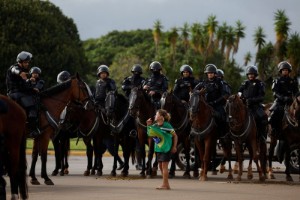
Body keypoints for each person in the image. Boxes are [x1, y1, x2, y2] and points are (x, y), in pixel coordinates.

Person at [6, 51, 40, 137]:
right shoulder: (15, 68)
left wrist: (30, 83)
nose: (27, 64)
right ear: (20, 62)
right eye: (25, 62)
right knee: (33, 105)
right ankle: (32, 130)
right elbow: (14, 70)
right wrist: (20, 73)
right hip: (15, 94)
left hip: (18, 93)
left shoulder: (24, 71)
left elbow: (23, 85)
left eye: (28, 62)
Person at [121, 64, 145, 169]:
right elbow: (123, 87)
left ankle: (139, 163)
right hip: (128, 103)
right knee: (125, 116)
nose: (136, 74)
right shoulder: (128, 79)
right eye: (135, 72)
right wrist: (132, 87)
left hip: (138, 104)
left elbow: (145, 88)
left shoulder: (143, 80)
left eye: (138, 73)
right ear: (132, 72)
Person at [146, 109, 178, 190]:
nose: (155, 116)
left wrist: (174, 146)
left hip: (166, 148)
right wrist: (148, 125)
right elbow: (150, 134)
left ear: (161, 117)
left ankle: (165, 184)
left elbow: (175, 136)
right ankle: (166, 184)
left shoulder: (167, 125)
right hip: (158, 149)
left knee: (164, 166)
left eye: (156, 114)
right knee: (160, 166)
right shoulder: (155, 126)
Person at [193, 64, 227, 137]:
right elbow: (194, 90)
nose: (210, 74)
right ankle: (193, 135)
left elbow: (223, 95)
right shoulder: (203, 82)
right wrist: (199, 92)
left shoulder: (219, 82)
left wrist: (215, 102)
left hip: (217, 105)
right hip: (205, 105)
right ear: (206, 74)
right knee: (193, 116)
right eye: (208, 73)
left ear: (215, 74)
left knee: (222, 118)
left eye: (211, 73)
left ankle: (223, 136)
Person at [269, 61, 299, 137]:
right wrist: (283, 98)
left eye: (286, 70)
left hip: (291, 102)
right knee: (273, 114)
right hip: (279, 102)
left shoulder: (293, 81)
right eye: (283, 70)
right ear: (281, 71)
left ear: (289, 71)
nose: (285, 71)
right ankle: (274, 130)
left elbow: (297, 92)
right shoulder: (277, 80)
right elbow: (275, 93)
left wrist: (294, 98)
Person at [238, 65, 268, 141]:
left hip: (256, 106)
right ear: (247, 75)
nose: (251, 75)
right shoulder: (244, 83)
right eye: (249, 74)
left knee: (263, 117)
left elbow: (261, 96)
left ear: (255, 75)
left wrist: (252, 100)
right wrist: (241, 98)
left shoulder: (259, 83)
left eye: (252, 74)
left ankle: (262, 135)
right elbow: (239, 92)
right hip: (245, 106)